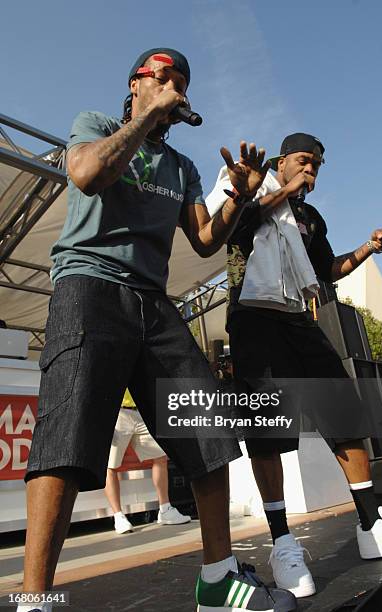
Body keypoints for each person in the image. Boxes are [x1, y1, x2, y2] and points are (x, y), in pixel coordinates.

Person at [20, 48, 297, 612]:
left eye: (183, 85)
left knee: (208, 427)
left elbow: (204, 240)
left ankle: (217, 579)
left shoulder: (183, 168)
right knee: (66, 433)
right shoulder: (95, 126)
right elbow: (87, 173)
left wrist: (240, 197)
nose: (177, 91)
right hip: (88, 287)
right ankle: (35, 597)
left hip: (152, 300)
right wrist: (146, 116)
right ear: (136, 84)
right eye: (165, 78)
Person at [206, 132, 382, 598]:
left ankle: (371, 522)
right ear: (283, 160)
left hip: (299, 317)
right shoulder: (248, 188)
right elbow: (230, 229)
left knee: (345, 415)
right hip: (253, 317)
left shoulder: (309, 217)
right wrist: (279, 191)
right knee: (267, 430)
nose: (312, 168)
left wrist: (369, 248)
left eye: (318, 163)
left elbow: (327, 269)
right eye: (304, 159)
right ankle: (282, 542)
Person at [105, 389, 191, 533]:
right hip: (118, 412)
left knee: (160, 457)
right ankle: (118, 516)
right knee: (110, 465)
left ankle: (165, 509)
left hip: (142, 411)